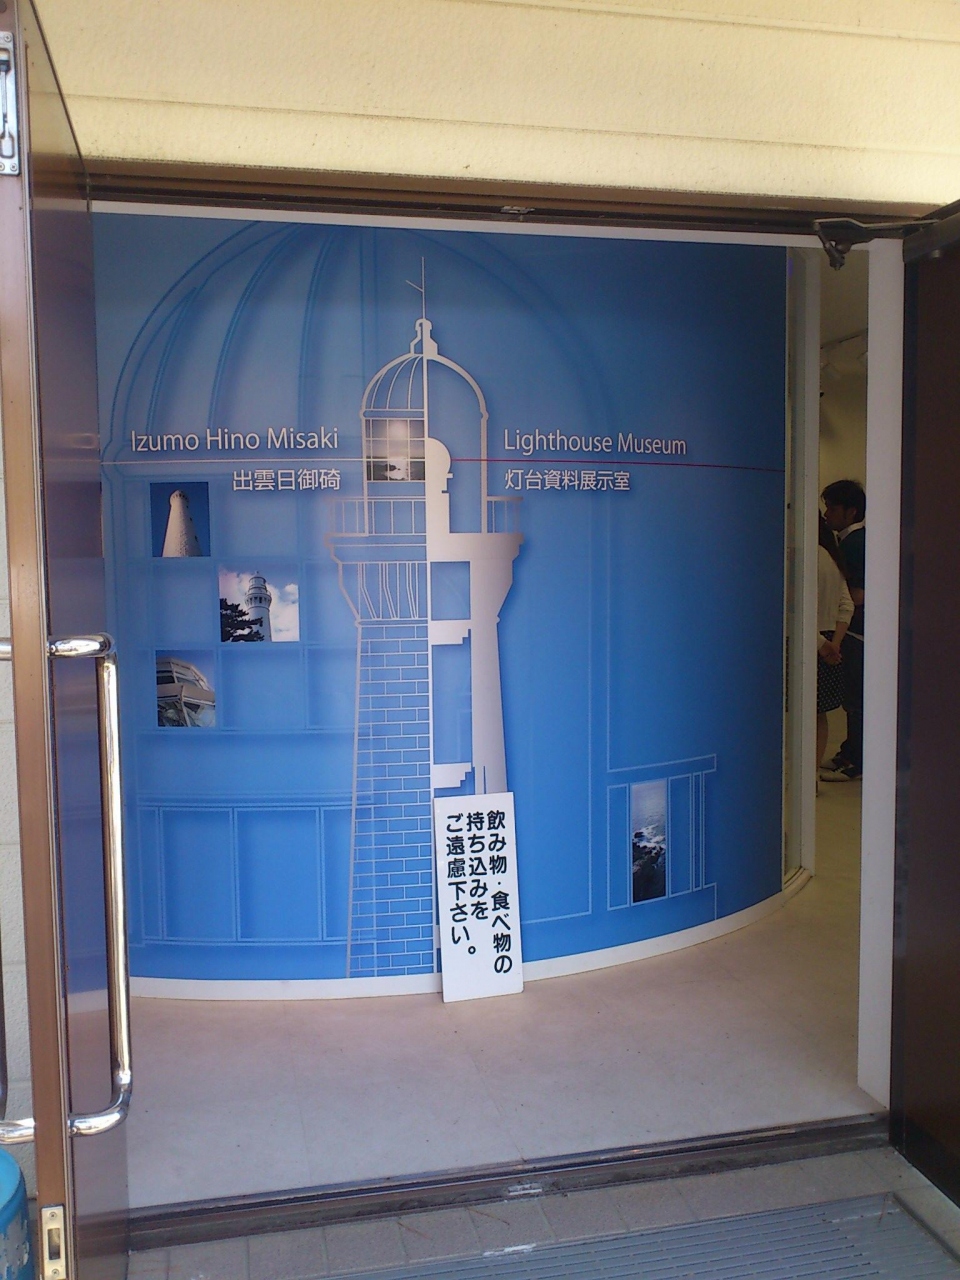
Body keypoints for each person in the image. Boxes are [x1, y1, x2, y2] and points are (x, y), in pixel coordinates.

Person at [819, 480, 866, 781]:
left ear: (851, 511)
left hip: (855, 631)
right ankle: (848, 751)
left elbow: (858, 594)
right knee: (851, 698)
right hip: (850, 630)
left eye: (833, 508)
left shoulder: (854, 544)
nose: (827, 515)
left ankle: (855, 761)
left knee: (855, 699)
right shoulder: (849, 542)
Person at [816, 514, 854, 782]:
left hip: (806, 641)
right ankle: (812, 777)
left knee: (793, 714)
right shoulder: (831, 558)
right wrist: (835, 644)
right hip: (830, 640)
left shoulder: (797, 556)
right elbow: (847, 605)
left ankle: (793, 778)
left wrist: (821, 644)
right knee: (818, 713)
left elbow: (794, 610)